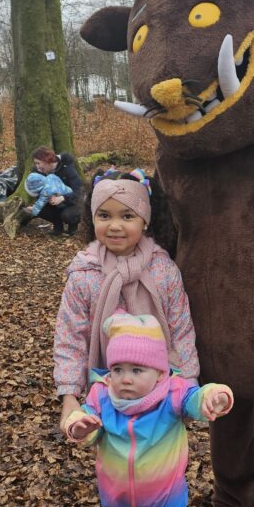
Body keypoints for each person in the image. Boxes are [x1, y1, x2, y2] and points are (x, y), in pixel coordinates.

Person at [65, 312, 233, 507]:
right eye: (117, 369)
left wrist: (214, 395)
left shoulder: (173, 394)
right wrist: (79, 427)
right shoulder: (102, 395)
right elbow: (84, 423)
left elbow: (197, 399)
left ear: (158, 372)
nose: (124, 378)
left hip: (163, 498)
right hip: (117, 498)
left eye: (136, 369)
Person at [54, 168, 200, 435]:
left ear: (144, 220)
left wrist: (187, 383)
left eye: (127, 216)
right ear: (92, 218)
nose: (115, 226)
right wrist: (70, 395)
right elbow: (70, 338)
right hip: (108, 391)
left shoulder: (162, 270)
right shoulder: (84, 275)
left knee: (162, 460)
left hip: (160, 389)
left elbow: (181, 327)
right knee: (117, 462)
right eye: (104, 215)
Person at [31, 146, 85, 236]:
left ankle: (73, 225)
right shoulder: (39, 172)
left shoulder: (67, 168)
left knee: (68, 216)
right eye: (35, 164)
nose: (37, 167)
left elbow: (79, 192)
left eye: (38, 163)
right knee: (38, 209)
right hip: (54, 204)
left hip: (72, 202)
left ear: (46, 160)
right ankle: (58, 226)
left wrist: (63, 198)